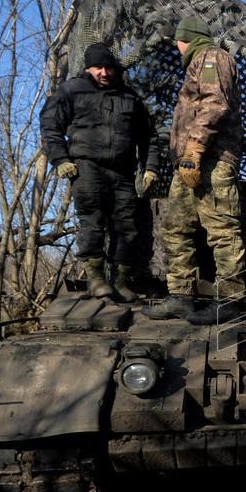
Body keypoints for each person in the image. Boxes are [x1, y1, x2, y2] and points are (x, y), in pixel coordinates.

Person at [143, 16, 246, 324]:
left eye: (177, 41)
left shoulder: (212, 57)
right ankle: (181, 296)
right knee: (173, 226)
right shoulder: (196, 64)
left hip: (211, 159)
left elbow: (215, 103)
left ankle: (231, 300)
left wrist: (195, 149)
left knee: (221, 230)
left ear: (185, 39)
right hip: (188, 163)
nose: (176, 47)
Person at [40, 42, 160, 301]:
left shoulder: (129, 97)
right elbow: (50, 126)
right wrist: (60, 159)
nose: (104, 72)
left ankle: (120, 281)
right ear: (88, 68)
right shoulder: (71, 91)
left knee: (127, 226)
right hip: (86, 167)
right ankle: (96, 279)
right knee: (92, 222)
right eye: (98, 67)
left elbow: (148, 137)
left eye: (108, 67)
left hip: (123, 171)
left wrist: (150, 168)